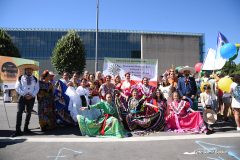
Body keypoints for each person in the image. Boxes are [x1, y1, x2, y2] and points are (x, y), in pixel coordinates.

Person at [12, 66, 39, 137]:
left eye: (30, 70)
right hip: (22, 97)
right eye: (28, 70)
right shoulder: (20, 78)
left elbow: (37, 88)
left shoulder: (35, 79)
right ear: (25, 70)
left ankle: (26, 128)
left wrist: (32, 95)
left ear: (32, 71)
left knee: (29, 112)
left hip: (31, 98)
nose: (29, 71)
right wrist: (24, 94)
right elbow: (17, 87)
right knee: (19, 112)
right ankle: (18, 130)